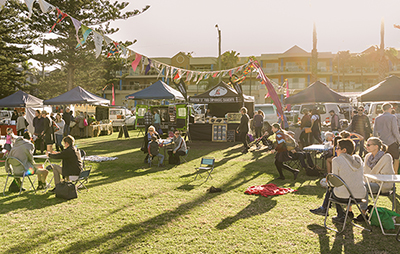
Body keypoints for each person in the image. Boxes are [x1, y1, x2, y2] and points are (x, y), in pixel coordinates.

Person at [310, 139, 367, 223]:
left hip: (345, 195)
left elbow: (334, 181)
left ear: (344, 150)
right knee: (336, 188)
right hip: (360, 194)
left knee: (332, 188)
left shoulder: (337, 160)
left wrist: (328, 180)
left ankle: (330, 211)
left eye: (337, 148)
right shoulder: (358, 160)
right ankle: (329, 210)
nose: (336, 150)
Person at [351, 137, 396, 222]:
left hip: (382, 184)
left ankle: (363, 213)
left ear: (376, 146)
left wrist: (369, 180)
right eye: (366, 145)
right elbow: (364, 172)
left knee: (363, 186)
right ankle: (352, 211)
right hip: (368, 183)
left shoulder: (386, 157)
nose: (366, 146)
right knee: (357, 184)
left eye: (368, 145)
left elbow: (385, 176)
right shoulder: (368, 156)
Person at [374, 103, 400, 173]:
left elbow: (374, 132)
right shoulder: (392, 117)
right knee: (396, 159)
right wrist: (399, 141)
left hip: (381, 142)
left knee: (382, 160)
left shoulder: (377, 118)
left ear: (382, 109)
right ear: (390, 109)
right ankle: (394, 174)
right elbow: (395, 131)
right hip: (391, 142)